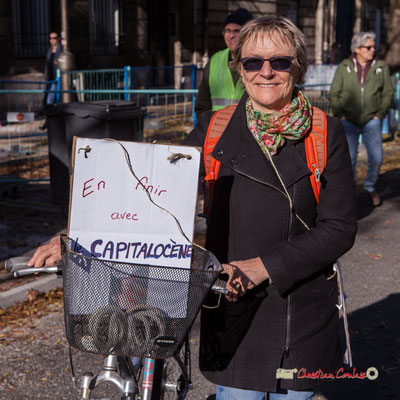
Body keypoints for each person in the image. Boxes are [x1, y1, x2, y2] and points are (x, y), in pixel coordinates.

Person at [183, 15, 357, 399]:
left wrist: (264, 266)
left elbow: (340, 226)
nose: (266, 72)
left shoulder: (325, 133)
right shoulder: (214, 128)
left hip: (302, 314)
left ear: (297, 67)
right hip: (233, 311)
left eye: (279, 62)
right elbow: (151, 187)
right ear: (239, 69)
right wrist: (76, 235)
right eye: (252, 62)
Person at [329, 31, 394, 207]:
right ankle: (349, 193)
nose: (373, 50)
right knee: (348, 160)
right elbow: (334, 92)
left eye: (374, 46)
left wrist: (379, 114)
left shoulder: (381, 67)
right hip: (348, 120)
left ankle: (370, 186)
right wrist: (340, 113)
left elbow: (388, 92)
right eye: (369, 47)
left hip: (372, 120)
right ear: (357, 49)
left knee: (377, 157)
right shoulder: (344, 66)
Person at [194, 8, 253, 119]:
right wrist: (210, 128)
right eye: (227, 31)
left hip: (249, 132)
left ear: (247, 34)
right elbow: (202, 105)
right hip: (218, 132)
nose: (230, 36)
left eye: (236, 31)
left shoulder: (258, 61)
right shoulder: (215, 61)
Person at [44, 32, 62, 104]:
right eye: (50, 38)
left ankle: (49, 110)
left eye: (54, 38)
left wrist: (59, 62)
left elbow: (64, 61)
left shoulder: (61, 49)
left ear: (58, 39)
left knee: (50, 99)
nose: (52, 40)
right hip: (49, 76)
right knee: (49, 96)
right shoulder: (49, 50)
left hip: (57, 76)